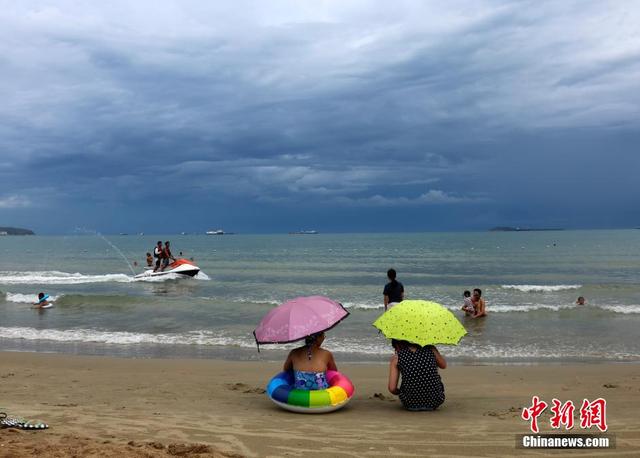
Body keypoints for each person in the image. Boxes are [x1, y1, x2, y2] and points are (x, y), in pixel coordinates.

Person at [388, 339, 446, 411]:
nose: (395, 350)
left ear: (398, 344)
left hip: (410, 402)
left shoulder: (396, 358)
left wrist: (401, 392)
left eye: (395, 348)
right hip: (435, 401)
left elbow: (392, 388)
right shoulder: (430, 348)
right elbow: (443, 365)